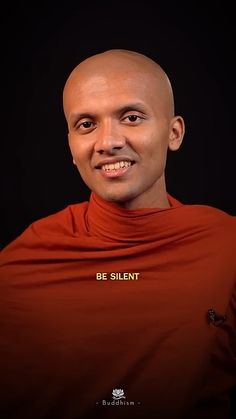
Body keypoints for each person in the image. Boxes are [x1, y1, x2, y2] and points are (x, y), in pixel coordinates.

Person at [0, 49, 235, 419]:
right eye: (86, 125)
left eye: (131, 117)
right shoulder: (20, 265)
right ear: (71, 147)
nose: (107, 141)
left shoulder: (226, 247)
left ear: (174, 133)